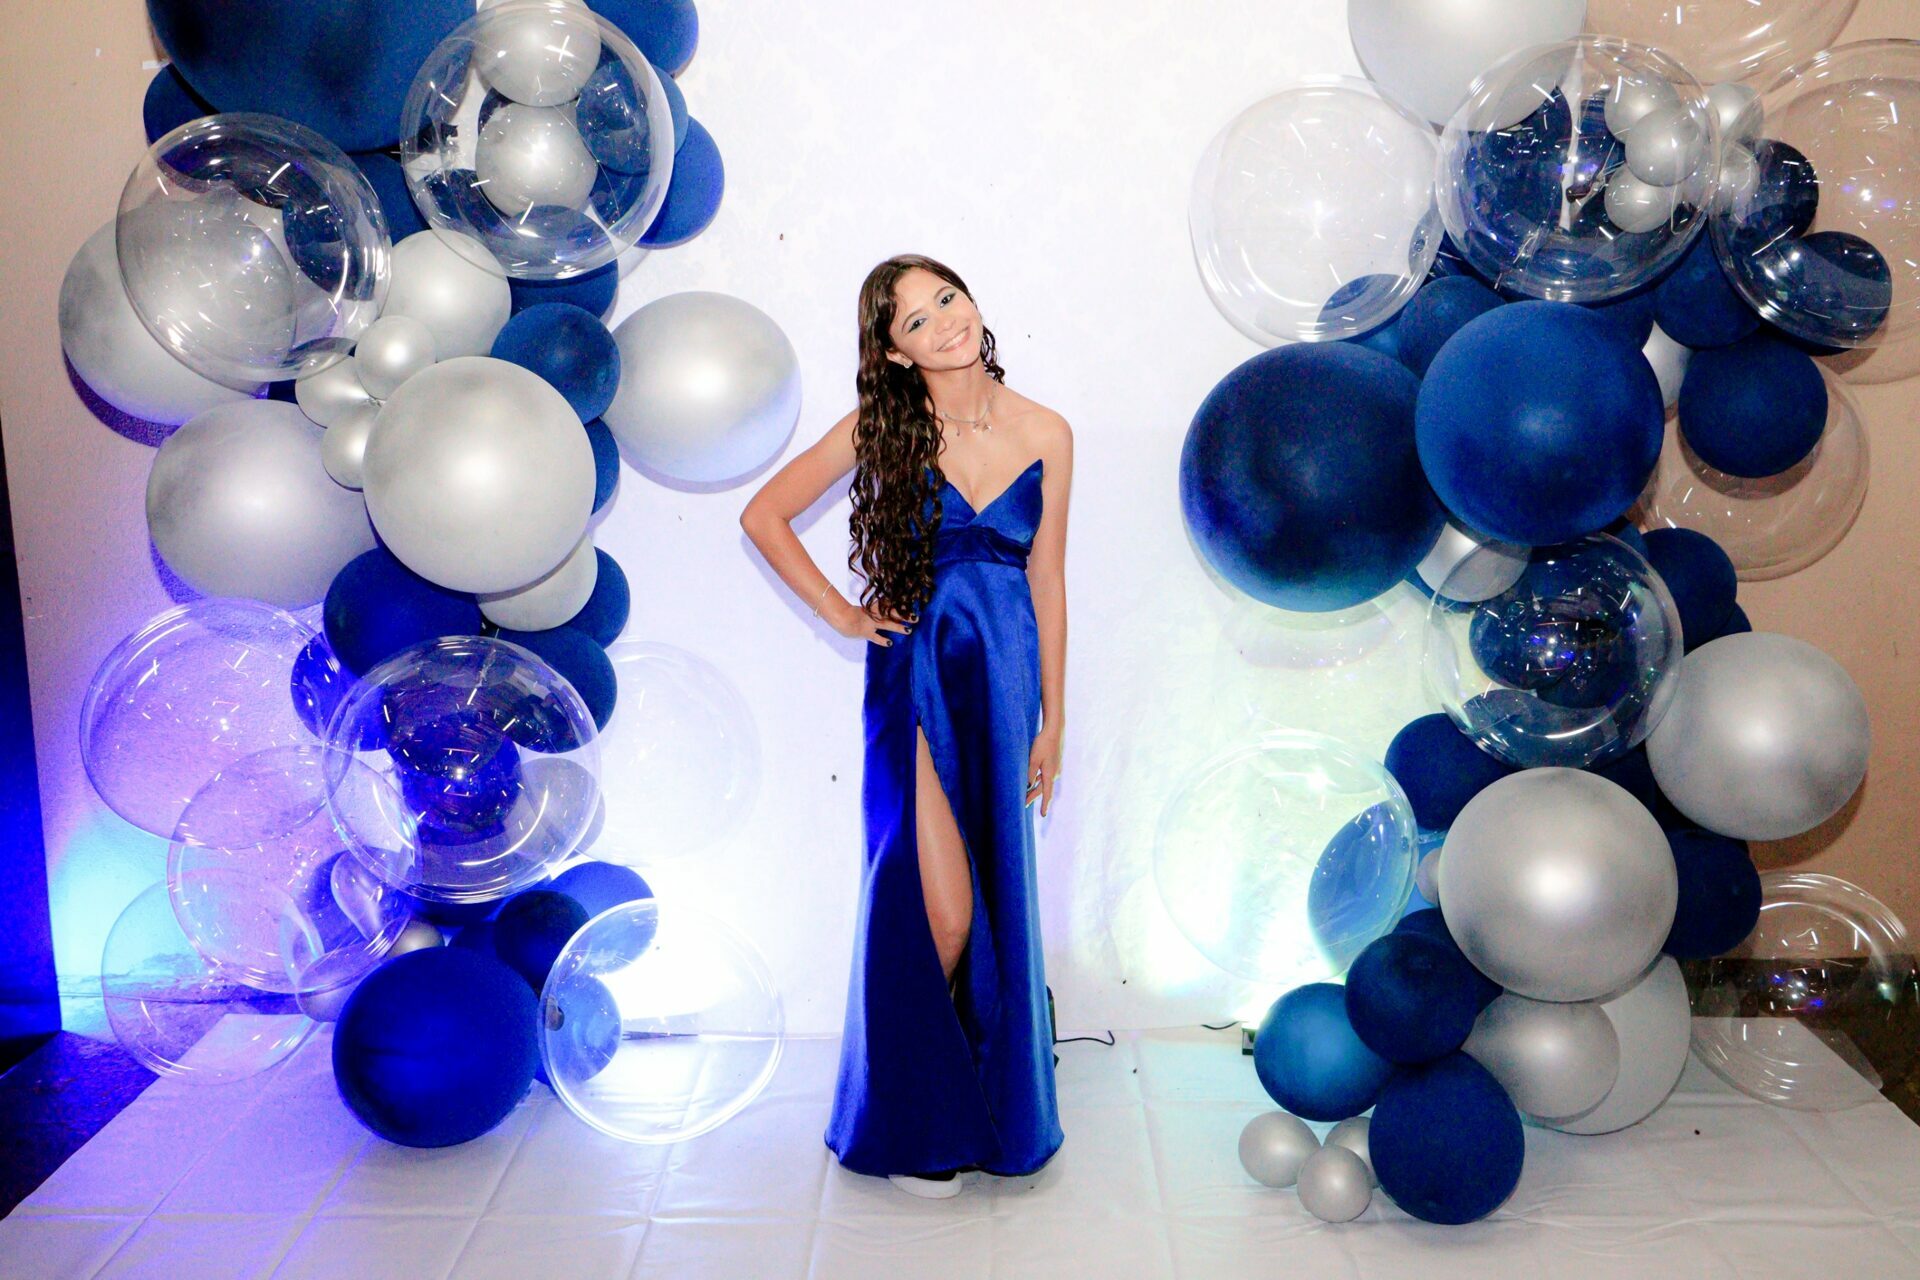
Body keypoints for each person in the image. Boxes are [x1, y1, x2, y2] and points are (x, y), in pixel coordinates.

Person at [740, 254, 1072, 1198]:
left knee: (997, 893)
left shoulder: (1047, 430)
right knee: (940, 907)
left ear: (972, 301)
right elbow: (764, 515)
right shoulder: (882, 428)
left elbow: (1048, 581)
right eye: (916, 320)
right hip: (916, 677)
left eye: (947, 299)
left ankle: (984, 1106)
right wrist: (843, 615)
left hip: (1003, 683)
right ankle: (912, 1125)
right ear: (893, 351)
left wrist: (1053, 720)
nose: (944, 322)